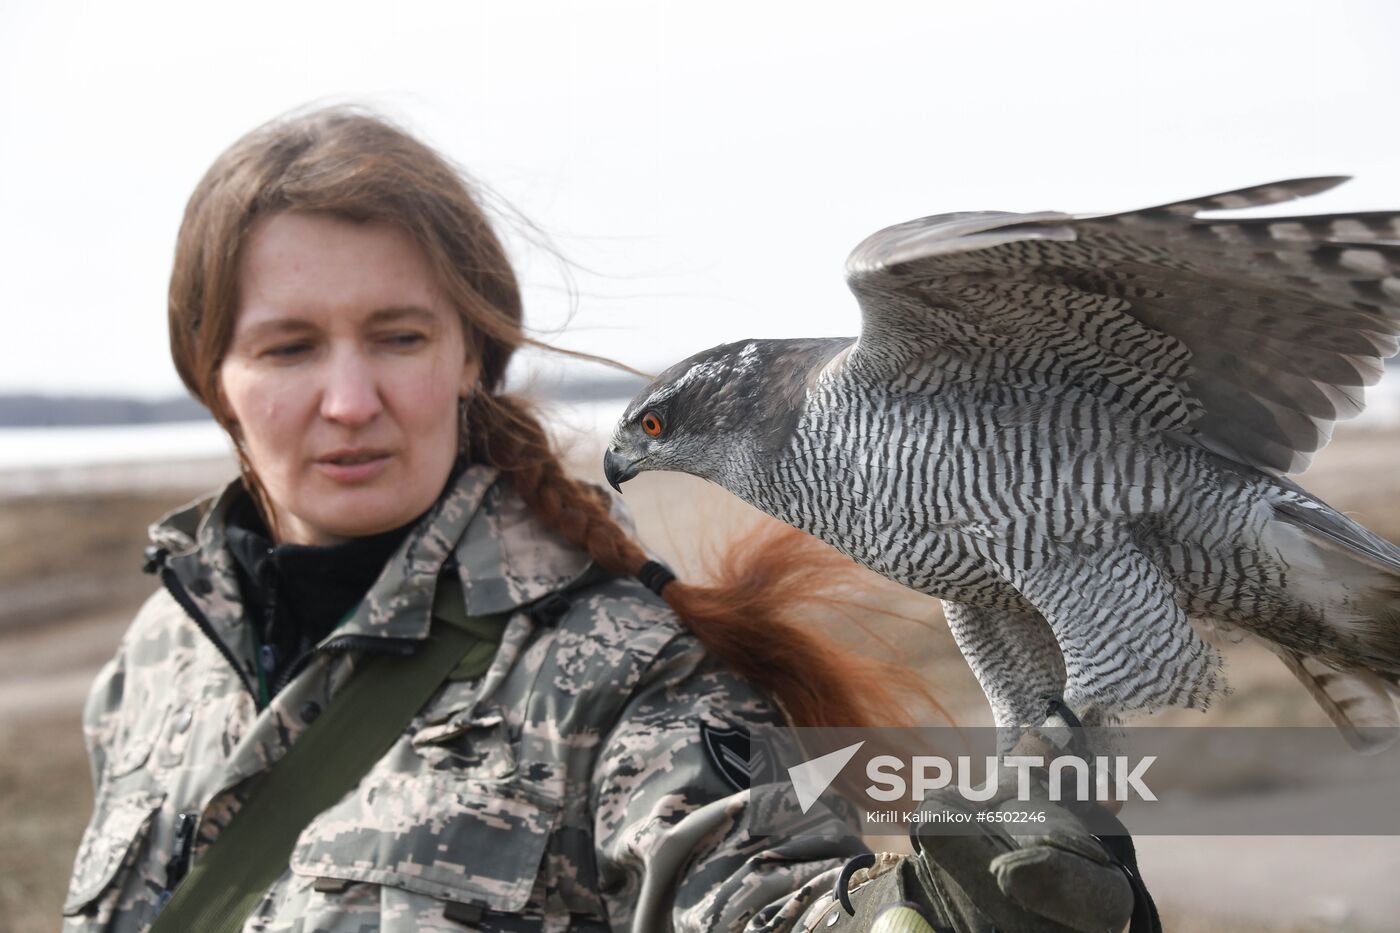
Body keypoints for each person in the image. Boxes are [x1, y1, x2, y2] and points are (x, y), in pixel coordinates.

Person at [61, 107, 1141, 932]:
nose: (349, 401)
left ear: (472, 357)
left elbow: (754, 891)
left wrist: (925, 912)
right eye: (289, 348)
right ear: (212, 376)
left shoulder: (624, 672)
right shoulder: (153, 664)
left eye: (397, 337)